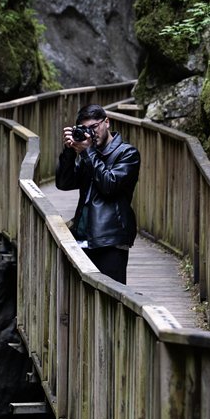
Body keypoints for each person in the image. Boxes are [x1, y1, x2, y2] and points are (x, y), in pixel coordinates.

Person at [54, 103, 141, 284]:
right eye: (85, 129)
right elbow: (64, 183)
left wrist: (88, 152)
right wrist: (69, 152)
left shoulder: (127, 153)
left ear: (106, 122)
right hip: (82, 238)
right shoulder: (90, 154)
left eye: (94, 127)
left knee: (111, 294)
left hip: (110, 240)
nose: (91, 133)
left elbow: (109, 185)